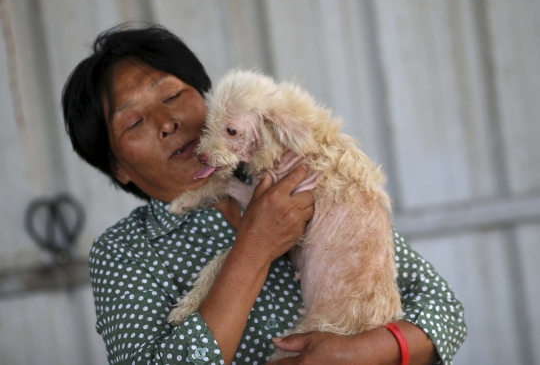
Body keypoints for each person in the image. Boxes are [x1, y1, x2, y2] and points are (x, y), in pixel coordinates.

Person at [62, 25, 466, 365]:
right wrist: (254, 247)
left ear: (212, 100)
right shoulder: (124, 252)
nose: (166, 122)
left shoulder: (298, 174)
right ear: (118, 167)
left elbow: (443, 311)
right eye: (133, 122)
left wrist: (359, 351)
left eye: (171, 96)